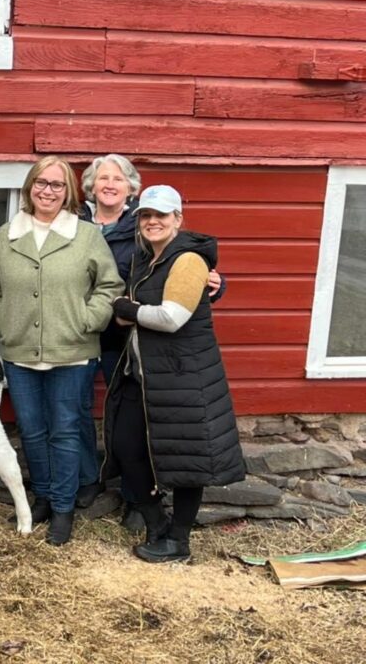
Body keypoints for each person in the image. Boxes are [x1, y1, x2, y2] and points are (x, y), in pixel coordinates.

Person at [0, 155, 123, 546]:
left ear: (69, 192)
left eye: (57, 185)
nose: (48, 191)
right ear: (29, 188)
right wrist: (1, 320)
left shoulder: (85, 235)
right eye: (41, 183)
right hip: (19, 350)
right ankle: (42, 497)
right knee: (31, 429)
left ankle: (63, 508)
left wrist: (87, 319)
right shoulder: (6, 235)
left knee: (64, 431)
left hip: (72, 352)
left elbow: (109, 286)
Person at [78, 156, 225, 530]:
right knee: (91, 418)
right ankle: (91, 483)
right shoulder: (74, 224)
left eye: (118, 179)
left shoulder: (144, 233)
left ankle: (138, 502)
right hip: (80, 335)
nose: (109, 184)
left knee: (144, 425)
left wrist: (215, 287)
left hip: (130, 342)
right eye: (102, 178)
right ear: (91, 186)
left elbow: (179, 290)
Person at [104, 184, 244, 563]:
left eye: (161, 216)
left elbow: (172, 318)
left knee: (188, 460)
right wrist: (122, 308)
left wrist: (128, 310)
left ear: (177, 219)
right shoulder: (144, 259)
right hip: (145, 375)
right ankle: (156, 524)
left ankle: (178, 541)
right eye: (146, 216)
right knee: (126, 447)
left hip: (185, 376)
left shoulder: (188, 260)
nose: (152, 222)